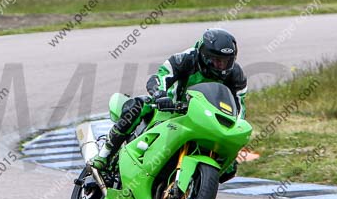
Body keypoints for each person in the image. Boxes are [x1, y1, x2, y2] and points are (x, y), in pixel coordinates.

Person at [91, 28, 247, 179]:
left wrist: (236, 127)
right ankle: (105, 154)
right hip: (171, 109)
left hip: (205, 118)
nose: (221, 66)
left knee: (229, 169)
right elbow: (160, 77)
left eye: (226, 61)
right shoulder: (185, 59)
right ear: (203, 54)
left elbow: (239, 106)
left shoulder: (236, 75)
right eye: (215, 60)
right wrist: (160, 94)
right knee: (136, 106)